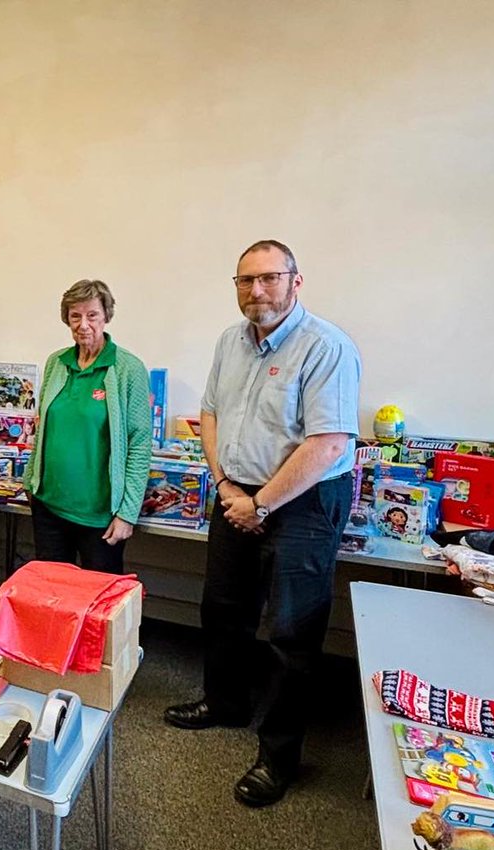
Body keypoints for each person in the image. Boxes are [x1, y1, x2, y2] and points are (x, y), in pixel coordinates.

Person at [163, 240, 362, 809]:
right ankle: (225, 704)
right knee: (223, 609)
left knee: (290, 633)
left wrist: (263, 504)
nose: (256, 291)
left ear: (295, 281)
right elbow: (209, 413)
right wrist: (225, 484)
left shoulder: (326, 347)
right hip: (236, 494)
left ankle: (278, 755)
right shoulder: (231, 341)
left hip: (303, 503)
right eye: (245, 280)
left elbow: (329, 444)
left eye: (269, 278)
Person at [23, 279, 153, 574]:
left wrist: (127, 513)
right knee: (52, 592)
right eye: (75, 316)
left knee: (97, 597)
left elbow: (139, 443)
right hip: (49, 508)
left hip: (100, 518)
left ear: (106, 316)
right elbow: (42, 429)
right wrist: (30, 481)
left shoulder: (128, 369)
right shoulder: (57, 362)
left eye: (92, 315)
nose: (83, 324)